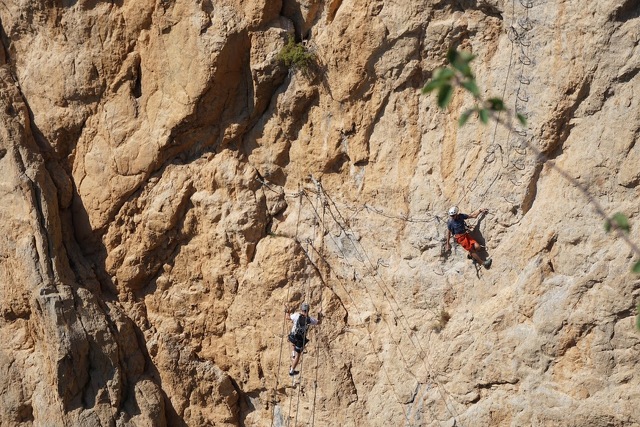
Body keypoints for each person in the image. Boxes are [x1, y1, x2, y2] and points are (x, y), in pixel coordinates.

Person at [285, 302, 321, 376]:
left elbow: (287, 317)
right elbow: (319, 322)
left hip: (292, 337)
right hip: (300, 341)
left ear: (301, 309)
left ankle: (293, 354)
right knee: (298, 355)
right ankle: (292, 371)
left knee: (294, 340)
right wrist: (319, 314)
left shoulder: (296, 315)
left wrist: (287, 310)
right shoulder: (310, 319)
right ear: (308, 310)